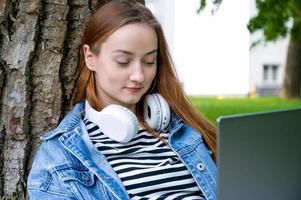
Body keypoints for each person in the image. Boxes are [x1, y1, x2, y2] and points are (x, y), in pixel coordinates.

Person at [27, 0, 217, 199]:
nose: (139, 76)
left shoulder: (183, 128)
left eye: (149, 61)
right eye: (123, 61)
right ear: (90, 57)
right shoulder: (57, 158)